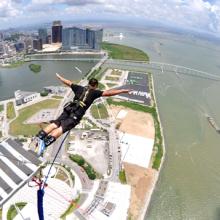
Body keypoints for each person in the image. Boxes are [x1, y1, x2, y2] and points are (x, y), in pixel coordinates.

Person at [34, 73, 131, 155]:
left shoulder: (78, 88)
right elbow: (109, 93)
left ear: (88, 84)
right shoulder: (95, 93)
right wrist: (122, 91)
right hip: (75, 115)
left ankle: (39, 137)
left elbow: (68, 82)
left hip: (68, 109)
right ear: (96, 86)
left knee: (55, 124)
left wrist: (60, 77)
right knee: (61, 129)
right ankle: (45, 144)